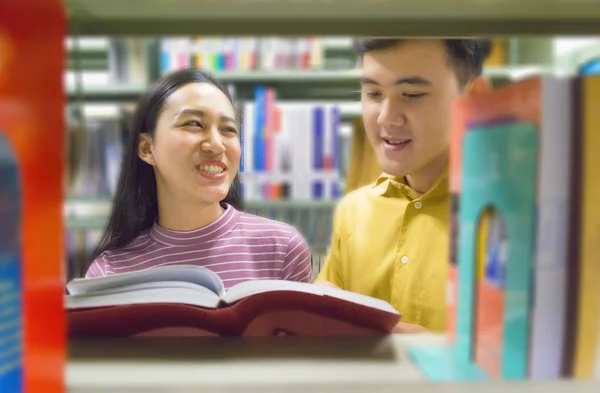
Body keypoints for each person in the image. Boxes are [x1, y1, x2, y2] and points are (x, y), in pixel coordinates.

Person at [316, 39, 491, 333]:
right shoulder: (355, 211)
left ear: (473, 99)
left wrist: (428, 350)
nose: (386, 117)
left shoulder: (509, 217)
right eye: (373, 93)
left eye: (411, 94)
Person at [84, 68, 312, 288]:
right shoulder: (108, 274)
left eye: (228, 130)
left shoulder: (282, 250)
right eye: (194, 124)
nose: (215, 144)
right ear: (147, 148)